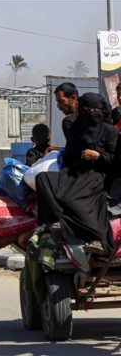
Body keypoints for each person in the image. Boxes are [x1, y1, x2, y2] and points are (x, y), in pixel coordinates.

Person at [36, 92, 118, 256]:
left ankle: (95, 237)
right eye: (87, 109)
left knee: (72, 197)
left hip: (97, 174)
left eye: (95, 110)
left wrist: (99, 157)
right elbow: (69, 155)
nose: (91, 113)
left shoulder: (110, 132)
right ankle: (58, 221)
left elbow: (117, 161)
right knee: (44, 179)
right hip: (74, 173)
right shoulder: (75, 129)